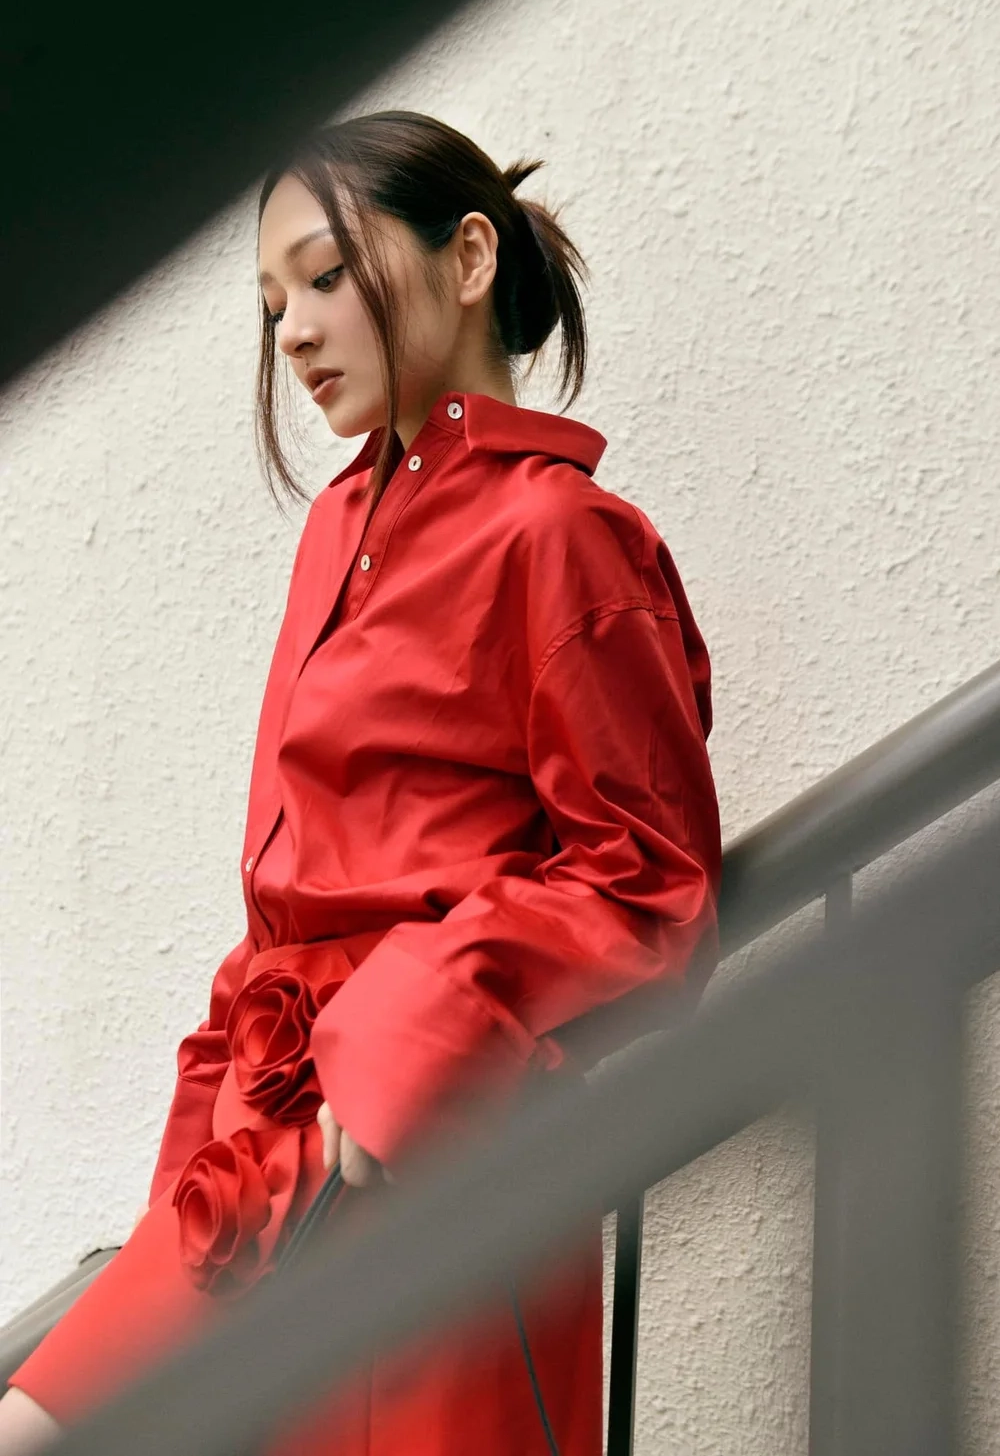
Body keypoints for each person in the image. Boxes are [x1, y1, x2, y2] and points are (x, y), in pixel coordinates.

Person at [0, 110, 722, 1456]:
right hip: (267, 1144)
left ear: (468, 258)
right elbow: (277, 912)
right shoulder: (337, 527)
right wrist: (185, 1179)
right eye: (272, 302)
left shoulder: (562, 533)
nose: (291, 330)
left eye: (326, 276)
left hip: (433, 1144)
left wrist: (416, 1028)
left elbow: (645, 880)